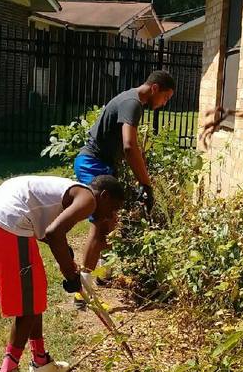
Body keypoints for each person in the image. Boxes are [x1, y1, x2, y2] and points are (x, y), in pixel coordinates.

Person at [0, 172, 125, 372]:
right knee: (27, 303)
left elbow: (52, 232)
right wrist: (70, 274)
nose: (111, 215)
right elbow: (54, 232)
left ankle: (40, 363)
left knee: (35, 295)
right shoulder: (88, 200)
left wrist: (67, 258)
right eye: (114, 208)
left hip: (5, 219)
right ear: (104, 196)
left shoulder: (76, 194)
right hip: (9, 222)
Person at [72, 70, 175, 292]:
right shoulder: (133, 103)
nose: (165, 103)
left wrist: (143, 179)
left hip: (103, 164)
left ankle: (102, 274)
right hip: (93, 164)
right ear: (155, 88)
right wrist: (145, 185)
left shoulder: (131, 100)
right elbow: (129, 146)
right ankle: (82, 289)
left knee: (111, 221)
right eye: (166, 97)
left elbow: (130, 147)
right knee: (102, 224)